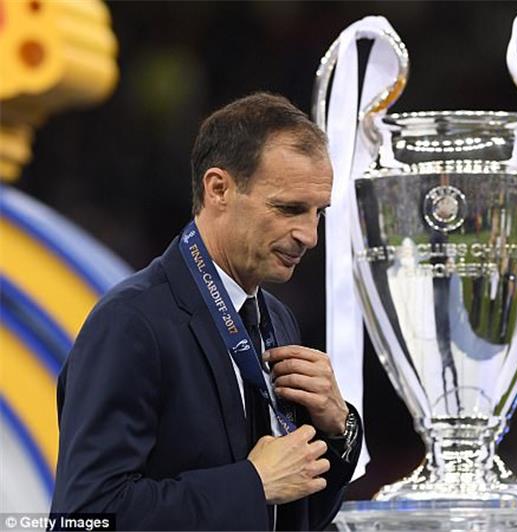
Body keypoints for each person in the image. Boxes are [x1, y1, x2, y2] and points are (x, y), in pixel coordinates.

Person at [50, 92, 362, 531]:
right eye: (289, 209)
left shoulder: (277, 320)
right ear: (219, 189)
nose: (309, 235)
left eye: (318, 213)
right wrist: (251, 484)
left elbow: (294, 510)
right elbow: (85, 516)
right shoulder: (131, 323)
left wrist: (338, 430)